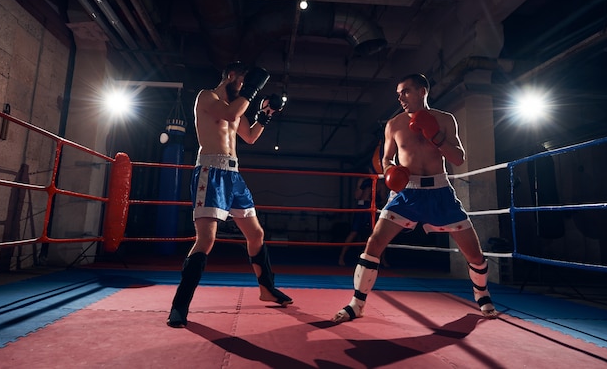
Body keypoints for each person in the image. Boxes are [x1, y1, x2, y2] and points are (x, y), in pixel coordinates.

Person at [332, 73, 498, 323]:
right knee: (374, 243)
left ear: (422, 91)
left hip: (440, 192)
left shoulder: (444, 119)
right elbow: (386, 159)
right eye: (398, 93)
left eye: (406, 91)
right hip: (406, 192)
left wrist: (436, 137)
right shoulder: (394, 124)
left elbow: (459, 158)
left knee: (474, 253)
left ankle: (482, 296)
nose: (400, 97)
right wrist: (390, 173)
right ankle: (357, 304)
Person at [167, 62, 293, 328]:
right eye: (244, 82)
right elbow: (228, 115)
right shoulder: (207, 96)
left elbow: (249, 136)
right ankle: (179, 306)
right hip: (210, 172)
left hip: (233, 176)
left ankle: (266, 289)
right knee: (206, 240)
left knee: (256, 234)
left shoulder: (237, 107)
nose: (246, 88)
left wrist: (265, 115)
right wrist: (252, 91)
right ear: (231, 76)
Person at [337, 175, 390, 267]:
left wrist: (376, 196)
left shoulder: (380, 183)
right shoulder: (362, 180)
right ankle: (341, 257)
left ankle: (383, 259)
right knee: (354, 232)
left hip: (373, 208)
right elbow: (357, 196)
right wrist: (363, 187)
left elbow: (383, 199)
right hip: (362, 208)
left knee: (378, 234)